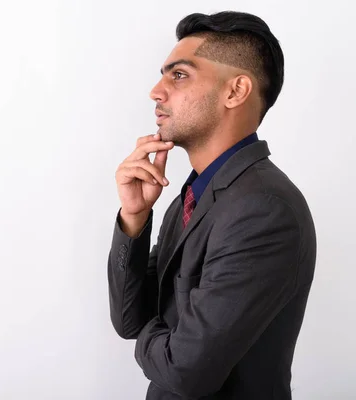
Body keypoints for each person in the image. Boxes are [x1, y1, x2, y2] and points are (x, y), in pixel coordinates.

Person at [107, 11, 316, 400]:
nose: (156, 90)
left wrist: (159, 333)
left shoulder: (264, 210)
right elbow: (128, 319)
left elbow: (184, 372)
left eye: (179, 75)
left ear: (235, 91)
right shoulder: (192, 197)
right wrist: (134, 218)